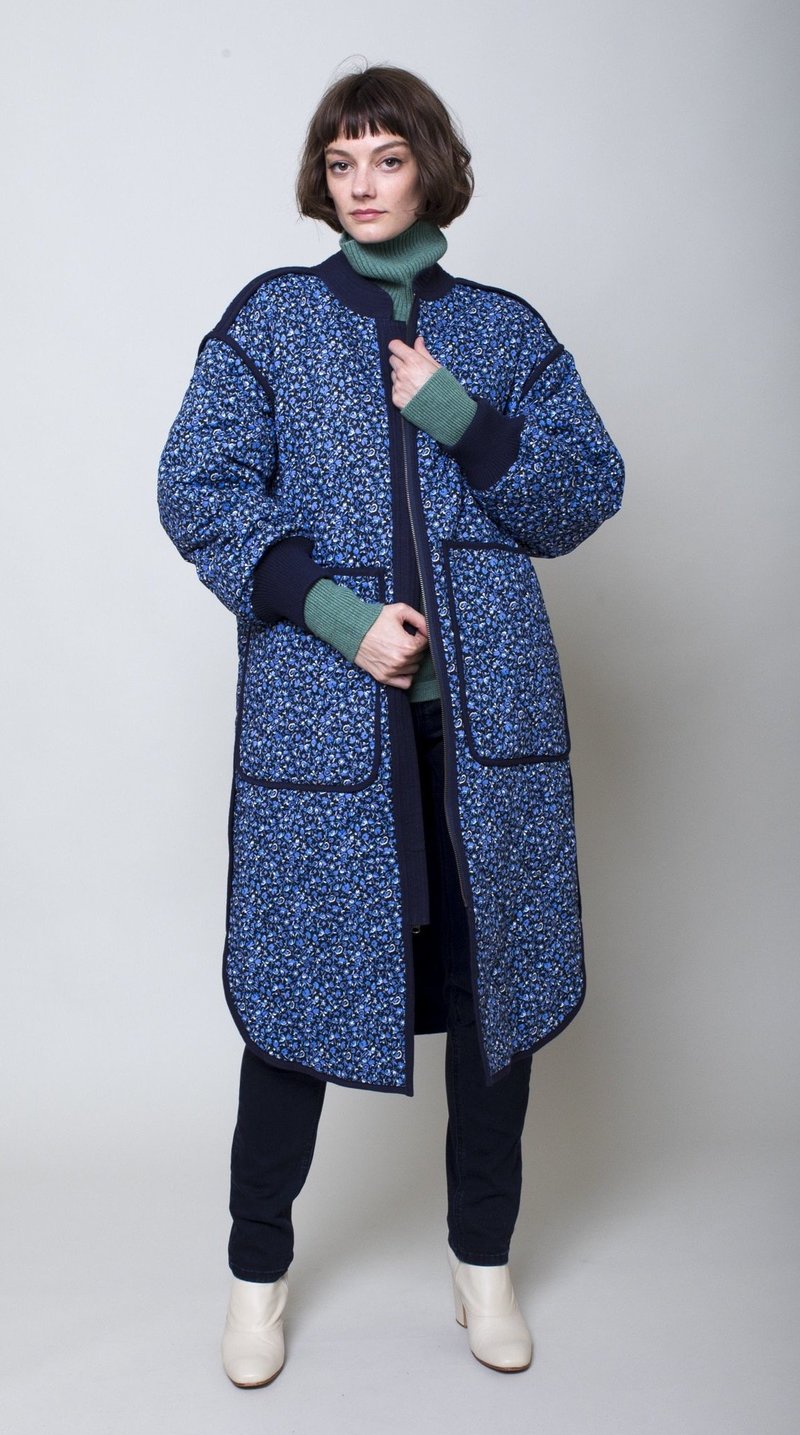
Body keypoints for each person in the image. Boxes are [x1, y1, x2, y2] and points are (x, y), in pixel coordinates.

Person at [157, 63, 624, 1387]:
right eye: (341, 162)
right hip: (327, 737)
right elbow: (198, 490)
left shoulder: (505, 332)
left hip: (484, 739)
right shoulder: (272, 322)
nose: (362, 186)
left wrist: (459, 415)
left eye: (387, 159)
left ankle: (484, 1268)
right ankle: (257, 1277)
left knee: (493, 1006)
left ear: (431, 169)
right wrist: (334, 613)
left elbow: (584, 492)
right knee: (296, 1004)